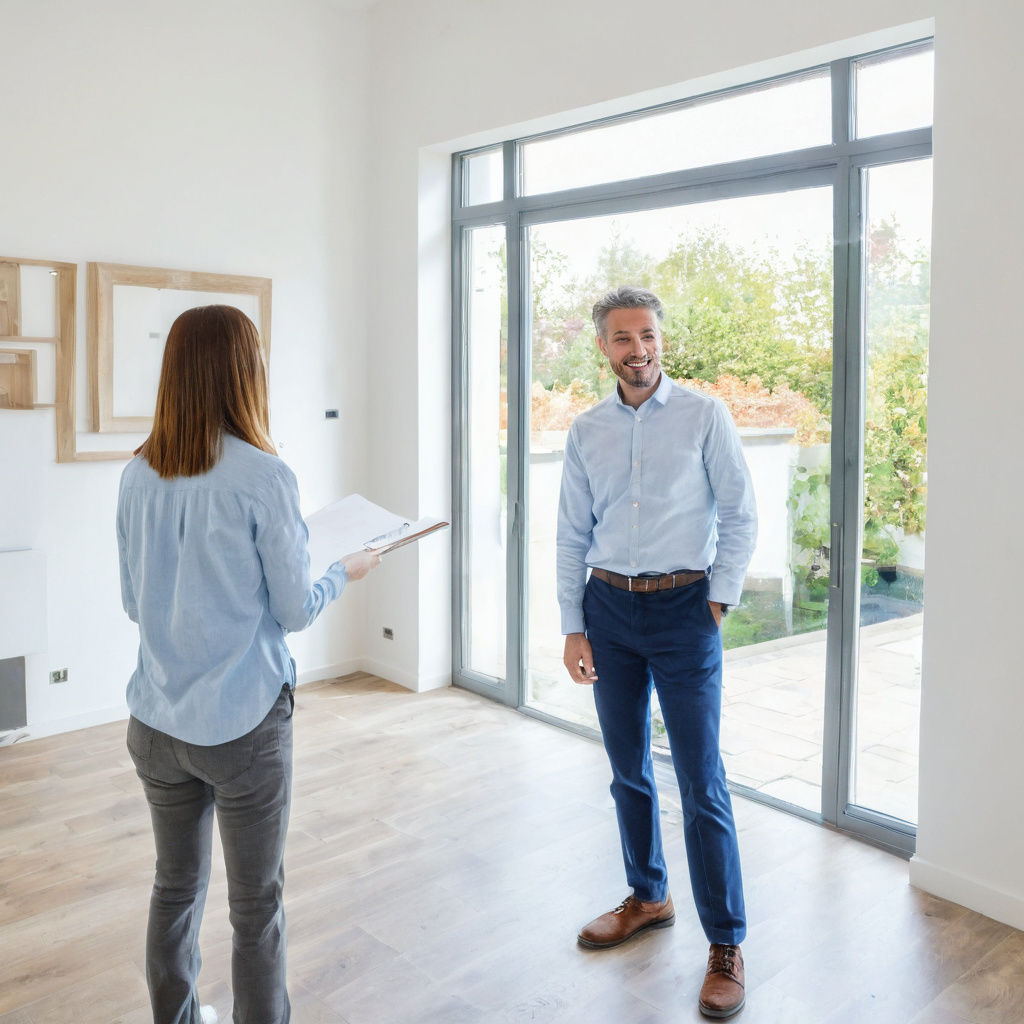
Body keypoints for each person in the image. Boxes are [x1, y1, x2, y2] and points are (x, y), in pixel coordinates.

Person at [117, 305, 380, 1024]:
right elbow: (294, 611)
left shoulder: (137, 473)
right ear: (245, 372)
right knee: (255, 904)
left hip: (155, 722)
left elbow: (133, 603)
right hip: (241, 729)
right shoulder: (264, 476)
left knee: (175, 885)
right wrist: (344, 571)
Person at [557, 285, 757, 1020]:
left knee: (702, 780)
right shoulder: (586, 431)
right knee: (627, 771)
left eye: (647, 336)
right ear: (602, 347)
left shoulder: (706, 415)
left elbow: (740, 511)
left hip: (684, 609)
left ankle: (727, 942)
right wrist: (573, 625)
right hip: (607, 609)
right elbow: (571, 534)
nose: (637, 350)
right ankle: (648, 895)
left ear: (660, 340)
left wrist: (717, 598)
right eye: (621, 338)